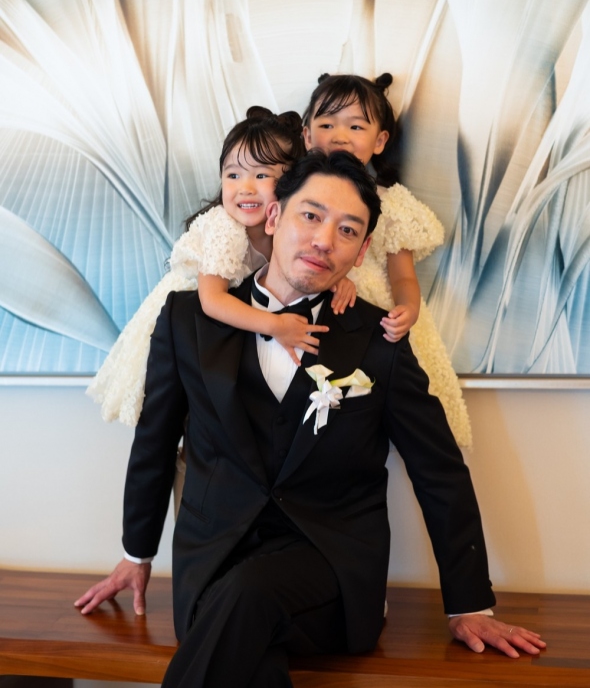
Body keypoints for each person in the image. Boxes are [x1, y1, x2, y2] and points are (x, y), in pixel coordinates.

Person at [75, 150, 545, 687]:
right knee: (252, 651)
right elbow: (155, 443)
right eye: (311, 215)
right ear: (274, 216)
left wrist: (469, 604)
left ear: (362, 251)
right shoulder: (189, 320)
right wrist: (135, 554)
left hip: (332, 570)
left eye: (347, 230)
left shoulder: (378, 339)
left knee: (249, 597)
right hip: (212, 564)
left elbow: (438, 470)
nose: (324, 240)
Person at [87, 106, 353, 427]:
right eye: (233, 175)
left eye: (261, 175)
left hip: (230, 319)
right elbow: (212, 300)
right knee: (176, 403)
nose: (245, 187)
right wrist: (276, 326)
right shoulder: (225, 227)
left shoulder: (286, 227)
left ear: (293, 182)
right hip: (190, 317)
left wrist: (338, 280)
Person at [303, 73, 472, 449]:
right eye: (327, 124)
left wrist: (408, 309)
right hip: (312, 319)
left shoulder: (391, 204)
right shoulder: (296, 196)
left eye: (355, 126)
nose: (340, 135)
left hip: (374, 320)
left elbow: (403, 277)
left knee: (388, 405)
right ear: (307, 135)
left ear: (380, 141)